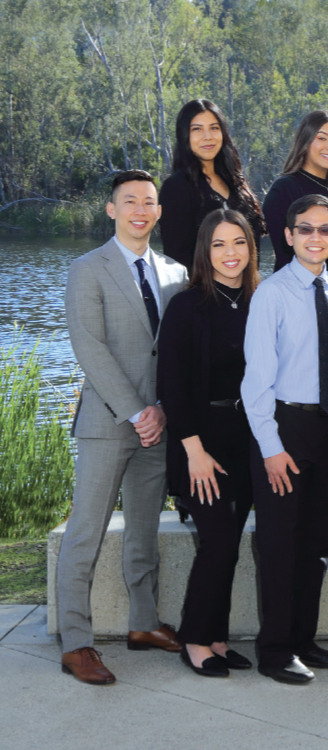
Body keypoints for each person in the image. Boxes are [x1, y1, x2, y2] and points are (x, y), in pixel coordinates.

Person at [58, 170, 188, 684]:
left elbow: (174, 352)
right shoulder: (87, 269)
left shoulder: (175, 272)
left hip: (159, 424)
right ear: (111, 209)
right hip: (109, 422)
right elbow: (90, 348)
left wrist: (161, 411)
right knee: (85, 533)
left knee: (144, 530)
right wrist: (138, 411)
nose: (140, 209)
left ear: (158, 212)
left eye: (149, 202)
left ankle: (143, 624)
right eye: (129, 200)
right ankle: (76, 642)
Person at [241, 194, 328, 684]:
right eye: (305, 229)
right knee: (279, 543)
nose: (316, 238)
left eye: (325, 229)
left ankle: (304, 640)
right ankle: (274, 650)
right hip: (284, 428)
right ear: (288, 236)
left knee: (316, 542)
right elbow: (255, 381)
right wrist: (271, 447)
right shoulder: (271, 294)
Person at [157, 209, 260, 678]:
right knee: (217, 542)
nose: (230, 253)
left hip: (249, 440)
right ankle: (194, 638)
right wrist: (194, 452)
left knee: (230, 544)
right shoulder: (186, 305)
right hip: (202, 442)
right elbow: (172, 386)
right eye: (219, 244)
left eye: (238, 242)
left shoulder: (262, 299)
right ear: (204, 250)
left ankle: (217, 637)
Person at [160, 99, 266, 272]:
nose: (207, 136)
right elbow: (177, 259)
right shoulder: (176, 188)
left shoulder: (236, 184)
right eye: (197, 129)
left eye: (214, 128)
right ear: (184, 135)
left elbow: (254, 254)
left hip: (247, 294)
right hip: (201, 295)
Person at [263, 110, 328, 281]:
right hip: (303, 300)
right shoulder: (286, 189)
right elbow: (285, 258)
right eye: (322, 138)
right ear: (305, 141)